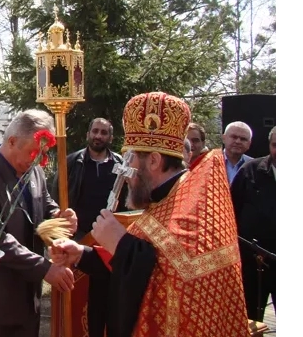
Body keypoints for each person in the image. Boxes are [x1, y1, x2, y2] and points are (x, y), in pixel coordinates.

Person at [50, 92, 249, 337]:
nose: (127, 169)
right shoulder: (169, 198)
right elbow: (148, 259)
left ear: (153, 160)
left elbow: (172, 277)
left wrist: (121, 243)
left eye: (132, 158)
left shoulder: (191, 207)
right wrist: (83, 254)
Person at [0, 109, 78, 337]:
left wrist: (59, 215)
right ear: (11, 141)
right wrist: (44, 268)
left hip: (30, 297)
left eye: (43, 153)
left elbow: (43, 202)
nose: (38, 159)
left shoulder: (33, 169)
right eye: (33, 152)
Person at [50, 117, 126, 337]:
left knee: (106, 298)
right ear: (88, 134)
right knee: (80, 298)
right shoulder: (73, 162)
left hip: (108, 242)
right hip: (79, 240)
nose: (98, 136)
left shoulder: (120, 166)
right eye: (95, 131)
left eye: (104, 133)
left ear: (110, 137)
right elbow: (58, 197)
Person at [231, 126, 276, 321]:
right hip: (252, 262)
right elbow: (231, 210)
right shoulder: (250, 170)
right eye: (276, 145)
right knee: (250, 319)